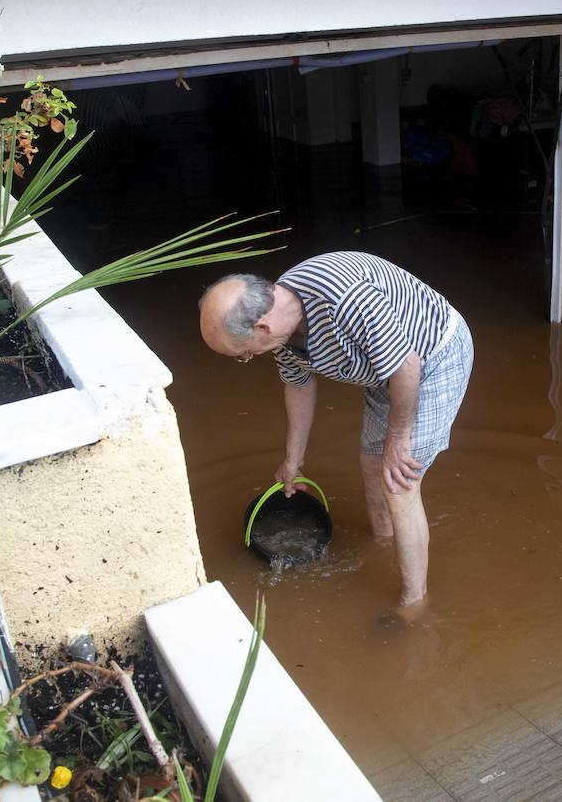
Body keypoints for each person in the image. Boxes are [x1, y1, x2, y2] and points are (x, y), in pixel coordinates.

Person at [198, 252, 473, 610]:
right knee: (373, 465)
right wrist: (292, 461)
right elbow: (299, 386)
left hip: (431, 357)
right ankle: (384, 541)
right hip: (384, 369)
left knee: (398, 480)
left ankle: (413, 603)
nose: (249, 358)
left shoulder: (346, 299)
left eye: (245, 354)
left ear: (261, 328)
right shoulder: (280, 324)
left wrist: (397, 440)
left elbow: (407, 366)